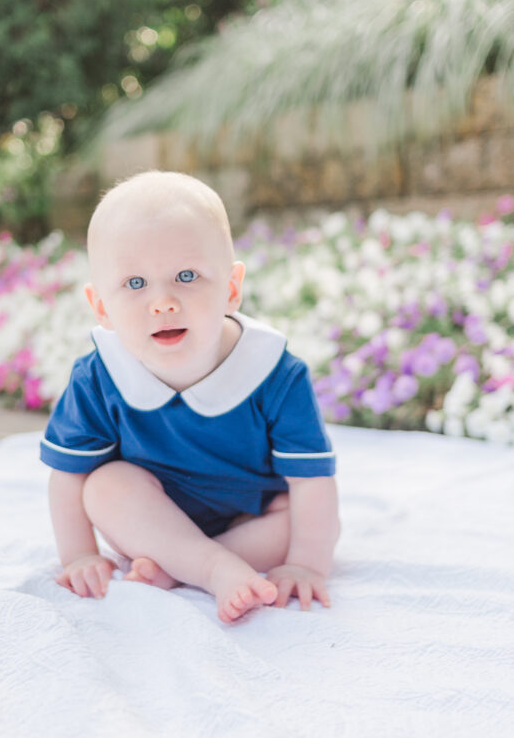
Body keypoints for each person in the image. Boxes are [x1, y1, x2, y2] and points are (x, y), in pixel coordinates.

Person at [40, 171, 339, 623]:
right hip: (149, 522)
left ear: (232, 288)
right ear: (101, 306)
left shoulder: (273, 370)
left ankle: (183, 567)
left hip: (249, 521)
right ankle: (209, 567)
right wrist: (79, 555)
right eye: (135, 284)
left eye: (186, 276)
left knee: (300, 518)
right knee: (103, 487)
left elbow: (312, 481)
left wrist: (306, 565)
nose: (162, 302)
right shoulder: (101, 375)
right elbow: (67, 478)